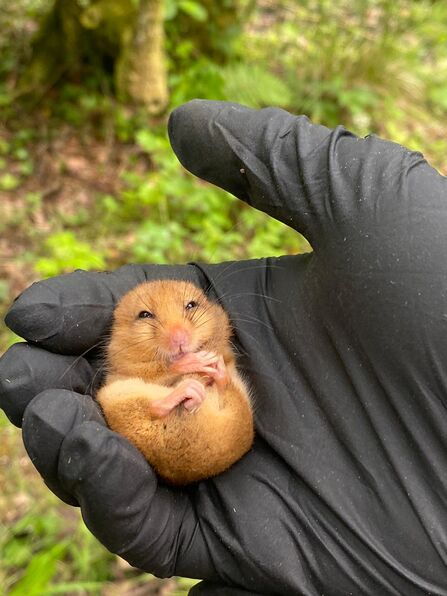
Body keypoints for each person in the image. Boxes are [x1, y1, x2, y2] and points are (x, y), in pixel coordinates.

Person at [1, 99, 447, 595]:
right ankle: (174, 401)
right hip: (161, 417)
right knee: (114, 399)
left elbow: (223, 372)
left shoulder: (219, 341)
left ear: (208, 308)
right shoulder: (126, 357)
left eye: (191, 307)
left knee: (214, 391)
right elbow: (133, 380)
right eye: (147, 317)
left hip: (214, 424)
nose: (177, 330)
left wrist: (204, 376)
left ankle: (183, 399)